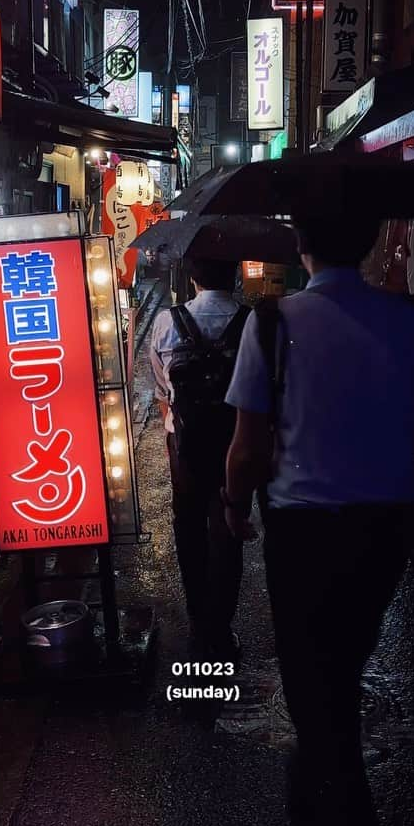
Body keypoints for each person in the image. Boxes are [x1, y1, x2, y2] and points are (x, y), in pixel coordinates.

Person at [222, 208, 414, 826]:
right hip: (385, 529)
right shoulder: (411, 317)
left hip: (304, 531)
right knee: (337, 667)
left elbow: (248, 447)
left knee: (320, 690)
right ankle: (309, 789)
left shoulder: (272, 324)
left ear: (301, 243)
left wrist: (232, 508)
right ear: (376, 239)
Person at [150, 256, 249, 662]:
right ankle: (221, 625)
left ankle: (197, 617)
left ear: (192, 277)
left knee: (188, 527)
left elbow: (161, 390)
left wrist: (175, 424)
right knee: (227, 529)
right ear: (237, 274)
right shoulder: (252, 323)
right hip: (235, 443)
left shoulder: (165, 322)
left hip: (184, 446)